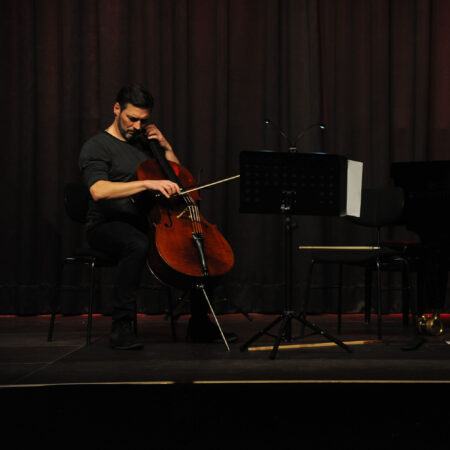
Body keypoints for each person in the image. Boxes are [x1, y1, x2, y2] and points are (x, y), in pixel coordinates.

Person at [79, 83, 236, 350]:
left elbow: (178, 174)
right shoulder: (98, 146)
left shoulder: (145, 143)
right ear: (117, 109)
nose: (138, 127)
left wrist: (165, 145)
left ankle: (199, 323)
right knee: (136, 244)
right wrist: (147, 184)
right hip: (108, 223)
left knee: (200, 245)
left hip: (149, 218)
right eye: (132, 119)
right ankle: (122, 327)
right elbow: (98, 190)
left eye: (143, 120)